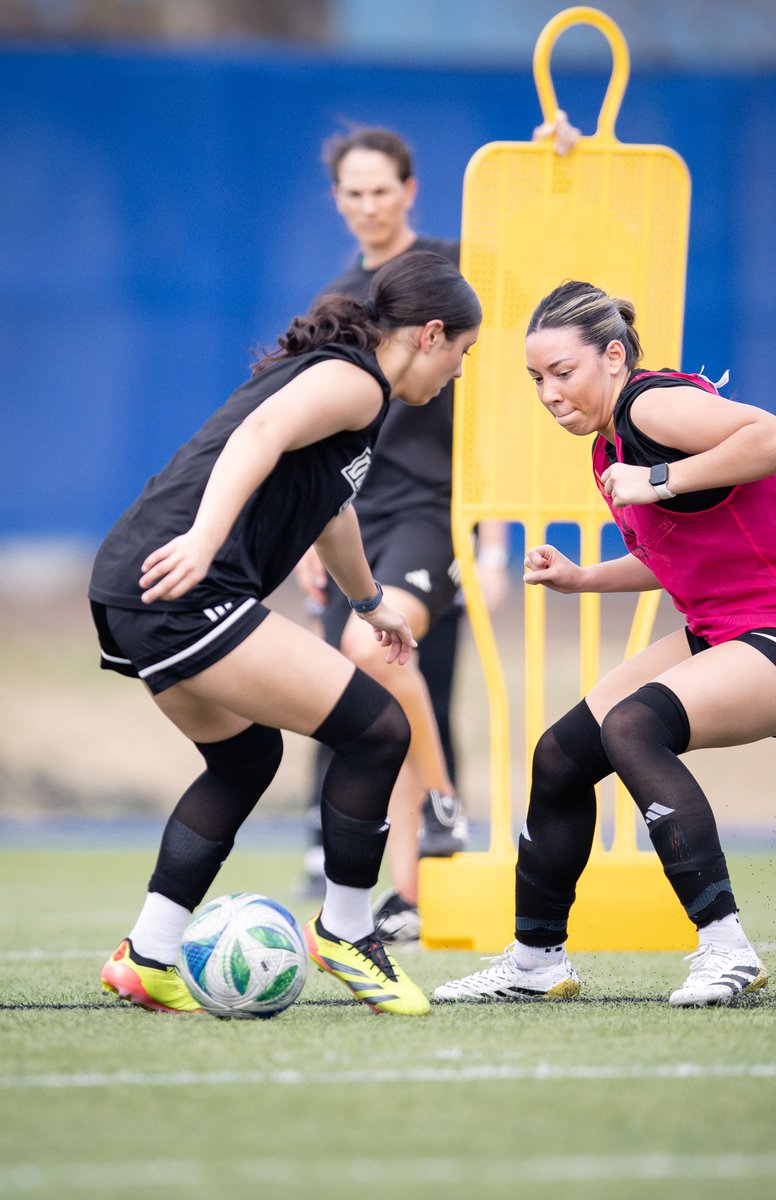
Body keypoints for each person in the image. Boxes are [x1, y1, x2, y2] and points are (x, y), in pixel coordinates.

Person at [434, 280, 776, 1007]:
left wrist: (660, 478)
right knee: (561, 756)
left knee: (633, 727)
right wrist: (582, 578)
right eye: (536, 379)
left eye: (562, 372)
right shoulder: (608, 446)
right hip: (728, 627)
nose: (549, 394)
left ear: (612, 357)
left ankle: (726, 949)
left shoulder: (648, 405)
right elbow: (671, 552)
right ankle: (535, 962)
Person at [91, 250, 481, 1017]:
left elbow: (332, 510)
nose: (459, 373)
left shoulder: (356, 391)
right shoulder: (357, 382)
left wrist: (370, 604)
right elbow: (260, 432)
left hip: (134, 583)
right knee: (378, 729)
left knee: (245, 759)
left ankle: (148, 954)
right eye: (463, 353)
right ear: (431, 334)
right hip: (183, 583)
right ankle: (346, 932)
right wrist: (205, 541)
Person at [293, 125, 511, 938]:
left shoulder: (454, 271)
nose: (368, 205)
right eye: (353, 192)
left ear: (410, 190)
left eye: (381, 189)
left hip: (435, 514)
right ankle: (410, 897)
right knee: (369, 704)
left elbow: (493, 410)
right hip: (349, 519)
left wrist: (495, 545)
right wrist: (307, 535)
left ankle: (446, 813)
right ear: (337, 200)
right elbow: (315, 433)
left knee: (379, 654)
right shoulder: (336, 300)